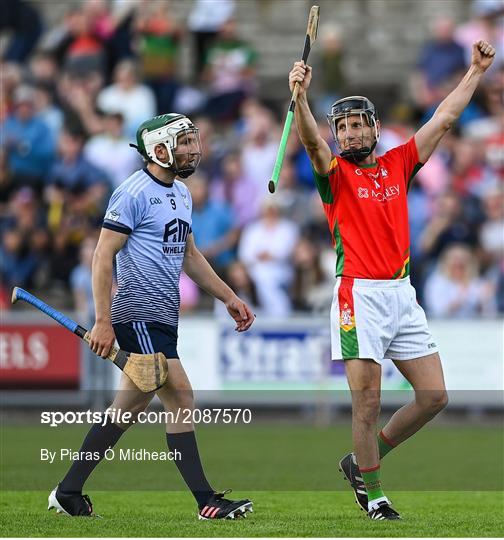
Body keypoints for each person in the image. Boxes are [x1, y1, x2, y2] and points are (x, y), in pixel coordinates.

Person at [288, 39, 495, 520]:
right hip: (358, 295)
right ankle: (375, 495)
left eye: (359, 123)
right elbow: (310, 142)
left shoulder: (399, 164)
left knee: (434, 396)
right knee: (368, 402)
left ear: (375, 128)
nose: (352, 132)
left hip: (402, 293)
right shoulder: (333, 173)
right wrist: (299, 99)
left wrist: (476, 72)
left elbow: (443, 119)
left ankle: (360, 463)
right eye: (343, 126)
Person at [48, 113, 255, 520]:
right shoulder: (132, 192)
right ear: (159, 150)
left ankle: (69, 490)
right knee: (180, 393)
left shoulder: (182, 192)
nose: (194, 148)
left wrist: (229, 296)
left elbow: (190, 255)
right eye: (185, 142)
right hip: (136, 315)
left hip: (164, 317)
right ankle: (206, 500)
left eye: (194, 140)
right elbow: (102, 254)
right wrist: (103, 320)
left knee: (126, 409)